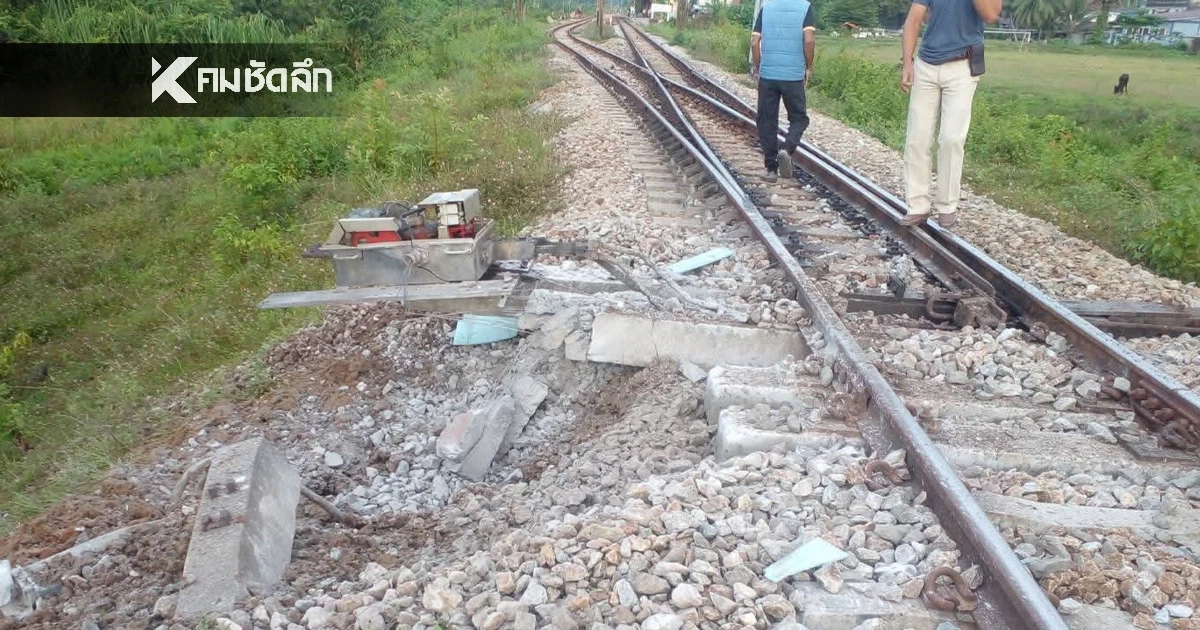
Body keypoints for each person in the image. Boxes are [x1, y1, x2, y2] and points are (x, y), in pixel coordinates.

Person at [898, 0, 1002, 227]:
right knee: (917, 138)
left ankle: (947, 206)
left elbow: (991, 15)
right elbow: (914, 19)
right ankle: (917, 206)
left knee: (952, 139)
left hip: (963, 66)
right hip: (926, 64)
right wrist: (907, 62)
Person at [750, 0, 816, 183]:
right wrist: (808, 67)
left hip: (768, 75)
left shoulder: (767, 8)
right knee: (799, 118)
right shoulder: (805, 7)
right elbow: (809, 39)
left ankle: (771, 169)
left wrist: (759, 67)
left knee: (766, 120)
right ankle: (786, 150)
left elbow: (755, 43)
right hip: (793, 76)